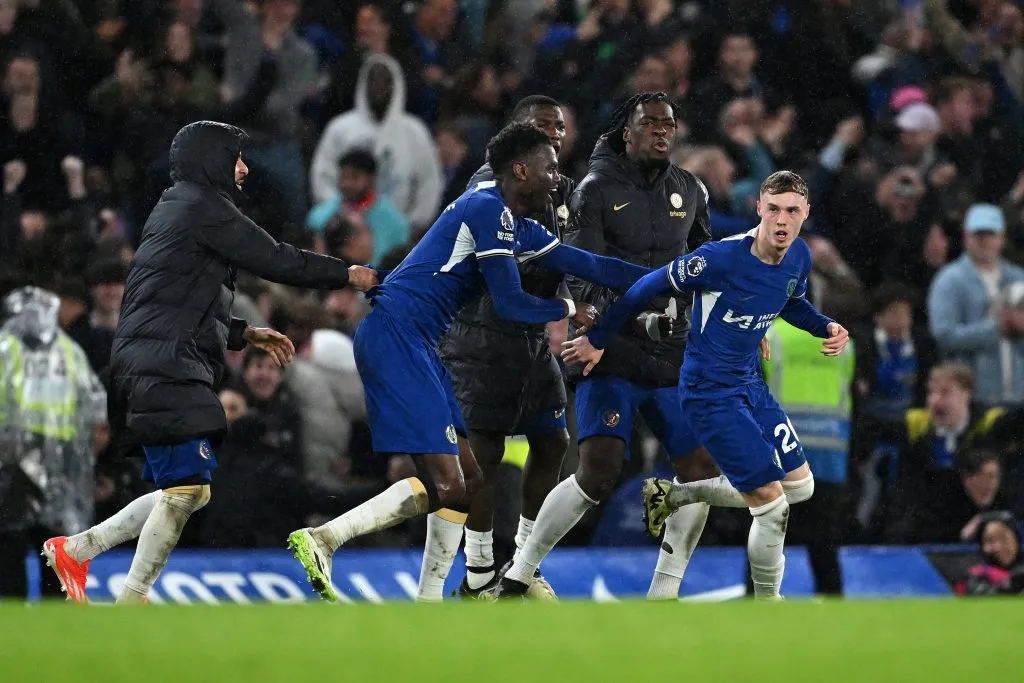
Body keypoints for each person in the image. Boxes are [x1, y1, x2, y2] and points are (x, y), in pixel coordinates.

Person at [287, 122, 653, 603]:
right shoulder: (486, 208)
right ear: (520, 170)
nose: (557, 178)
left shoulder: (516, 224)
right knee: (448, 480)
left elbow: (595, 266)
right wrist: (569, 309)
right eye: (549, 167)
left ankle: (433, 600)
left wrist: (673, 278)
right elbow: (512, 304)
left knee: (468, 479)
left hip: (419, 342)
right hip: (397, 334)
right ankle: (325, 539)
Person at [40, 120, 374, 604]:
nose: (243, 168)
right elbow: (275, 258)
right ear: (210, 159)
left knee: (189, 489)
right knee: (187, 491)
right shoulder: (203, 205)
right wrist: (347, 274)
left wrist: (242, 331)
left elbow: (173, 297)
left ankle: (79, 549)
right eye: (235, 157)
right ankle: (130, 598)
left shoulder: (177, 206)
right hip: (165, 362)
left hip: (152, 356)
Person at [546, 171, 850, 600]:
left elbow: (791, 300)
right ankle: (768, 605)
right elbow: (641, 289)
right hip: (709, 390)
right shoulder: (719, 259)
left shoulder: (799, 257)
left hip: (750, 383)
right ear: (760, 209)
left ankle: (675, 495)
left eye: (792, 211)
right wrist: (598, 339)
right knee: (771, 505)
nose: (782, 220)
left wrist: (825, 326)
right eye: (775, 209)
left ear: (806, 215)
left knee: (802, 487)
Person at [490, 91, 722, 602]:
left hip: (671, 356)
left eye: (669, 124)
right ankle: (519, 571)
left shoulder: (693, 191)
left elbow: (709, 268)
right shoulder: (595, 190)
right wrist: (592, 328)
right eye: (650, 123)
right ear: (627, 133)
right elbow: (585, 270)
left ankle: (665, 593)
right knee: (597, 473)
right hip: (611, 351)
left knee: (700, 467)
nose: (662, 131)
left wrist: (729, 326)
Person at [439, 95, 576, 598]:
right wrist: (562, 309)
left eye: (559, 127)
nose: (555, 135)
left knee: (554, 441)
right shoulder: (489, 188)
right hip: (482, 331)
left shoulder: (557, 187)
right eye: (543, 127)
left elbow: (560, 257)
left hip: (529, 336)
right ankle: (479, 573)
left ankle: (521, 564)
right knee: (485, 453)